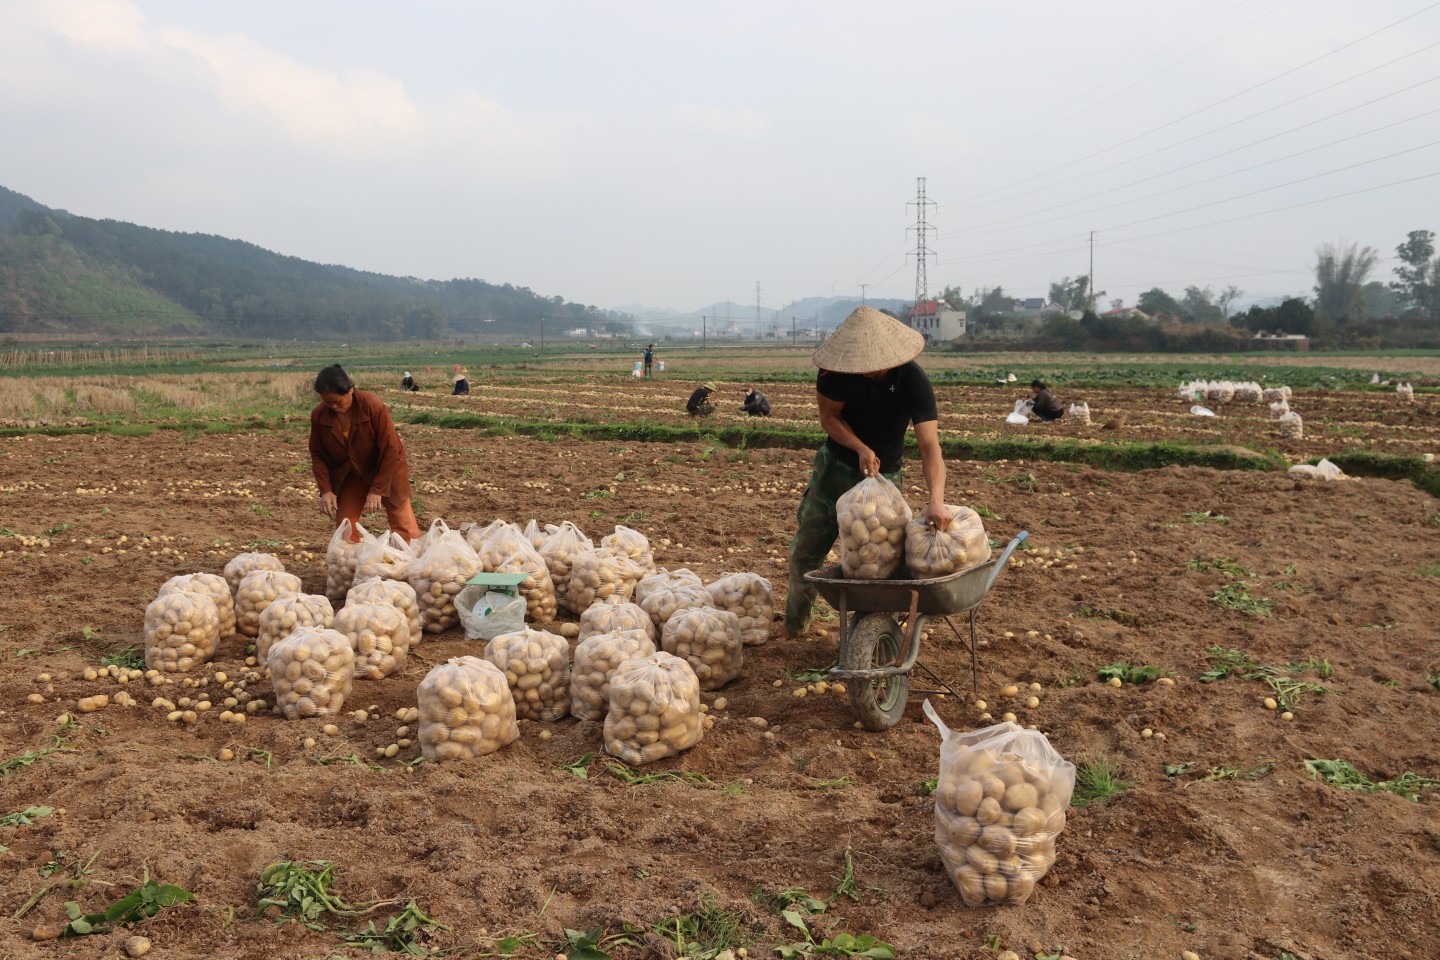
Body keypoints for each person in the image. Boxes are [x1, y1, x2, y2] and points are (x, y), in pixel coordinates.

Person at [784, 306, 953, 639]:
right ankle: (795, 627)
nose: (864, 371)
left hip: (886, 477)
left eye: (872, 366)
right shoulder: (833, 373)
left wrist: (937, 501)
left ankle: (875, 634)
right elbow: (829, 418)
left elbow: (930, 447)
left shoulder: (913, 380)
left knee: (882, 559)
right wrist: (860, 447)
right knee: (807, 550)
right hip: (835, 469)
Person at [308, 364, 421, 543]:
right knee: (345, 525)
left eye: (338, 401)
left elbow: (391, 449)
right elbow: (318, 455)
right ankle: (350, 564)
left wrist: (377, 490)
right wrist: (326, 490)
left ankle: (411, 560)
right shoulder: (319, 416)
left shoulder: (373, 406)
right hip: (352, 472)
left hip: (386, 468)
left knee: (402, 521)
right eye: (328, 402)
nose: (334, 406)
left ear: (350, 390)